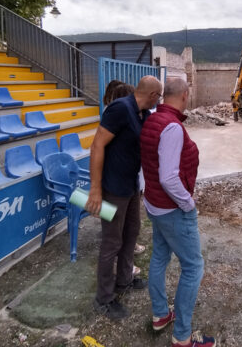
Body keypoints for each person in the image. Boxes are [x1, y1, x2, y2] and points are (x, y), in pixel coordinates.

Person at [140, 78, 215, 347]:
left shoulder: (153, 119)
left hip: (154, 205)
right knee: (194, 267)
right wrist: (188, 203)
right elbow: (169, 177)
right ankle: (182, 337)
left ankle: (161, 314)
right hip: (171, 208)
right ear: (184, 95)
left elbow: (150, 165)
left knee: (160, 255)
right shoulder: (172, 126)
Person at [87, 75, 162, 320]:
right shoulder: (120, 109)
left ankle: (124, 279)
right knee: (112, 242)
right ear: (152, 95)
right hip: (112, 188)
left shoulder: (143, 115)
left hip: (130, 187)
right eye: (158, 96)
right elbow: (97, 145)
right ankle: (104, 298)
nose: (158, 100)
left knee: (131, 233)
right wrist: (95, 190)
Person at [102, 80, 147, 266]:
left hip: (125, 181)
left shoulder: (127, 116)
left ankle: (125, 264)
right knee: (114, 233)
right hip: (115, 184)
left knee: (127, 226)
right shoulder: (115, 116)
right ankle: (115, 268)